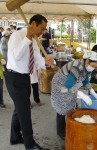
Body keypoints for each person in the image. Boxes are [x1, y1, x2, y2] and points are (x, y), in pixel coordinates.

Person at [5, 14, 53, 150]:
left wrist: (46, 62)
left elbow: (36, 58)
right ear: (33, 24)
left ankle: (15, 137)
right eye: (42, 28)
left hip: (25, 77)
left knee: (19, 109)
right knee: (24, 112)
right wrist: (27, 37)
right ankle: (30, 145)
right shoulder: (17, 36)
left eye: (44, 29)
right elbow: (16, 56)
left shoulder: (35, 40)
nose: (43, 32)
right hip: (14, 78)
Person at [51, 50, 97, 140]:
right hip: (61, 84)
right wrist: (82, 95)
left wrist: (92, 91)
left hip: (70, 85)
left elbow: (85, 80)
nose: (93, 68)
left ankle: (68, 126)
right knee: (61, 107)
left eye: (95, 67)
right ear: (87, 60)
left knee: (70, 103)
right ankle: (61, 132)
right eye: (93, 66)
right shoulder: (77, 66)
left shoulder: (87, 67)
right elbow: (68, 86)